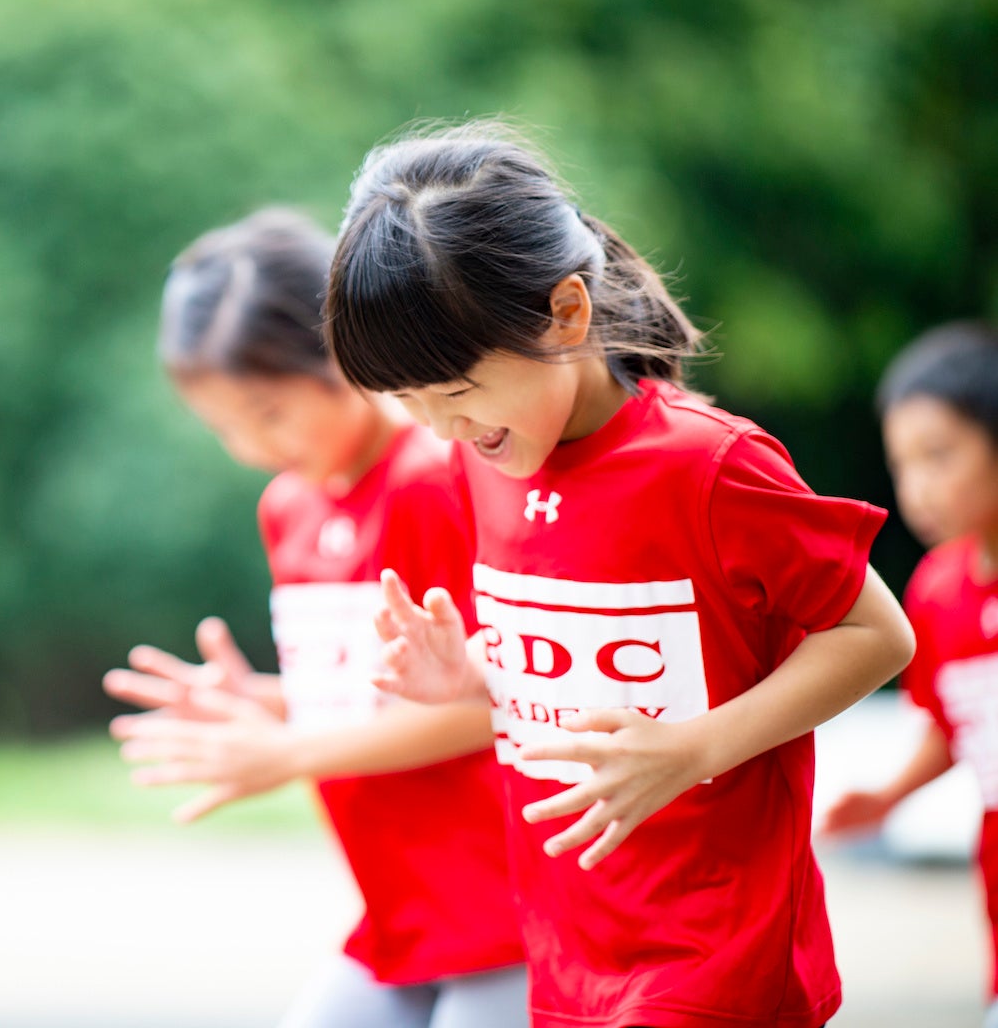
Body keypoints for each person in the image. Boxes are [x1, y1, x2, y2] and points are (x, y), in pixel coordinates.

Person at [321, 121, 915, 1027]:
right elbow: (569, 678)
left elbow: (877, 635)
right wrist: (474, 678)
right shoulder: (480, 461)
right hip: (566, 952)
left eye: (456, 391)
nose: (439, 427)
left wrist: (696, 751)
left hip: (713, 958)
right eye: (407, 403)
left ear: (565, 312)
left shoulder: (706, 466)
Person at [103, 207, 526, 1028]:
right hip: (400, 910)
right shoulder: (287, 509)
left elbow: (493, 699)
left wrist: (290, 749)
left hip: (505, 906)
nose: (250, 446)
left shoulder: (434, 476)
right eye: (222, 426)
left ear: (342, 352)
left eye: (266, 413)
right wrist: (264, 699)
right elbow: (371, 700)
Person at [820, 321, 998, 1027]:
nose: (916, 486)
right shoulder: (934, 591)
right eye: (903, 463)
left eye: (939, 455)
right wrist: (888, 798)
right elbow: (963, 725)